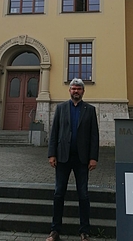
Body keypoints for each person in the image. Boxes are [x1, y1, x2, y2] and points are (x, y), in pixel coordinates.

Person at [46, 78, 99, 241]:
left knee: (83, 195)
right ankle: (55, 231)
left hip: (82, 159)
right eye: (73, 88)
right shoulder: (61, 108)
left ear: (83, 91)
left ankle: (84, 231)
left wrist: (93, 158)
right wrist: (51, 154)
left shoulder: (89, 110)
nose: (76, 91)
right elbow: (54, 131)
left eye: (79, 89)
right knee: (58, 193)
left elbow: (94, 136)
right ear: (69, 91)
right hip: (62, 157)